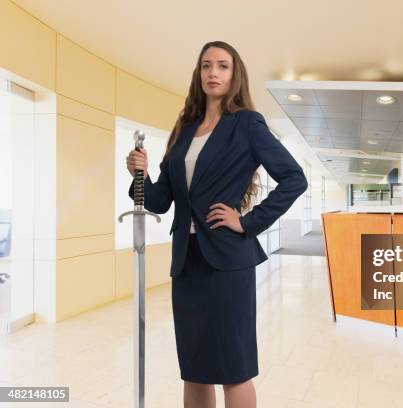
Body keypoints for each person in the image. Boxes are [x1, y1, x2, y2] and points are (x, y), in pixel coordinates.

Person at [125, 40, 308, 408]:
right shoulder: (184, 129)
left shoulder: (246, 124)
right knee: (194, 368)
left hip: (226, 262)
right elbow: (162, 201)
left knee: (232, 368)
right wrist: (139, 176)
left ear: (234, 74)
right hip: (187, 262)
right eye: (206, 65)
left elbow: (294, 178)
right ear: (198, 73)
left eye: (222, 66)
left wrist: (248, 222)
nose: (213, 73)